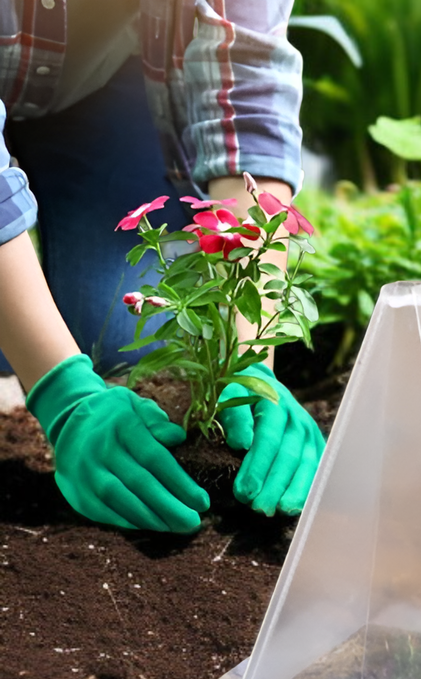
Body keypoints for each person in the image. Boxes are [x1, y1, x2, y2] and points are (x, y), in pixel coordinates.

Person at [0, 0, 325, 533]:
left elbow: (249, 92)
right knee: (40, 344)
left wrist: (248, 359)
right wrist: (63, 394)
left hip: (93, 87)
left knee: (121, 336)